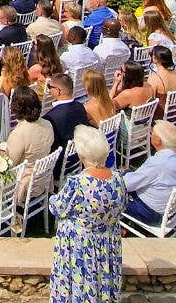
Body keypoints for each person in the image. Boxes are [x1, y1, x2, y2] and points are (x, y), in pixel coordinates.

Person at [49, 125, 124, 303]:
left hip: (79, 247)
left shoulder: (77, 183)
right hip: (107, 244)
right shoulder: (118, 179)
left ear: (82, 155)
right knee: (101, 285)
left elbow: (57, 207)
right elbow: (122, 206)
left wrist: (53, 198)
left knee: (78, 287)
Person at [122, 120, 176, 224]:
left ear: (158, 140)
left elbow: (127, 185)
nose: (150, 135)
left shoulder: (157, 164)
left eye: (152, 133)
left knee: (110, 194)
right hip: (166, 210)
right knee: (126, 173)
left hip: (148, 213)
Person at [5, 87, 55, 208]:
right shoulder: (47, 124)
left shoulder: (18, 134)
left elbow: (8, 164)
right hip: (42, 177)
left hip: (24, 183)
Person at [43, 74, 92, 160]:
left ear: (58, 91)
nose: (49, 89)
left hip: (59, 162)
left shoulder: (51, 117)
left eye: (50, 86)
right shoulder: (80, 107)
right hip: (79, 157)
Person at [147, 45, 176, 117]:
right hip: (174, 113)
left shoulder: (154, 78)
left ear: (155, 58)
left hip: (160, 115)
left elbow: (150, 101)